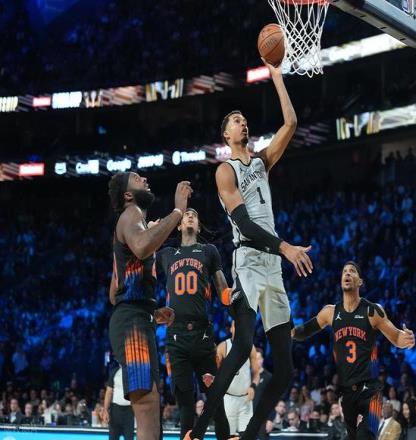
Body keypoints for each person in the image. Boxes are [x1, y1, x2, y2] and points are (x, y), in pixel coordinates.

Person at [185, 59, 313, 440]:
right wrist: (285, 246)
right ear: (226, 135)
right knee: (241, 346)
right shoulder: (225, 171)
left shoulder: (261, 161)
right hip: (248, 261)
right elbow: (242, 222)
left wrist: (277, 78)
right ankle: (199, 430)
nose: (243, 123)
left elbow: (291, 123)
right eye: (235, 121)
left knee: (285, 370)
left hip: (273, 263)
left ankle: (249, 435)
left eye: (244, 119)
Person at [107, 171, 192, 440]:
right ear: (128, 195)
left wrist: (151, 311)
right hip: (132, 322)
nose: (144, 179)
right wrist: (178, 211)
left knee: (151, 406)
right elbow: (143, 246)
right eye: (136, 178)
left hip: (138, 318)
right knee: (146, 405)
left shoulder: (133, 224)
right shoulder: (130, 213)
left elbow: (114, 292)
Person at [292, 261, 415, 440]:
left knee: (365, 436)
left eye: (352, 271)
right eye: (344, 272)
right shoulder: (330, 312)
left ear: (360, 282)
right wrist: (288, 331)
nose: (347, 274)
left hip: (371, 391)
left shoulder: (372, 311)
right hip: (347, 392)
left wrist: (407, 339)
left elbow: (396, 338)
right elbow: (304, 331)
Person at [157, 208, 230, 439]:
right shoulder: (166, 253)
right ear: (178, 226)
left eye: (195, 216)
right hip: (176, 338)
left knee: (215, 400)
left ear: (198, 227)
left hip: (202, 336)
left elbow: (222, 289)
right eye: (186, 215)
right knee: (186, 406)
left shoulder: (209, 251)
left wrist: (236, 302)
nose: (190, 216)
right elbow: (143, 270)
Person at [218, 321, 260, 436]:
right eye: (236, 326)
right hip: (228, 398)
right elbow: (215, 373)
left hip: (245, 400)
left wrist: (253, 386)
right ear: (231, 329)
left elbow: (257, 374)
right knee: (229, 436)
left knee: (247, 435)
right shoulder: (223, 347)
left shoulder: (250, 347)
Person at [103, 362, 134, 440]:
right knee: (113, 437)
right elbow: (109, 391)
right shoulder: (114, 372)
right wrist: (105, 410)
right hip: (115, 410)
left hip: (130, 410)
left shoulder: (134, 373)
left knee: (129, 437)